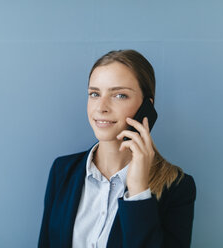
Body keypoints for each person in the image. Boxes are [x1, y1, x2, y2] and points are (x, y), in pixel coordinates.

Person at [38, 49, 196, 248]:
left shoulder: (177, 188)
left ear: (146, 107)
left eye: (119, 95)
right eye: (94, 94)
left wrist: (138, 192)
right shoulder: (62, 170)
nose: (101, 107)